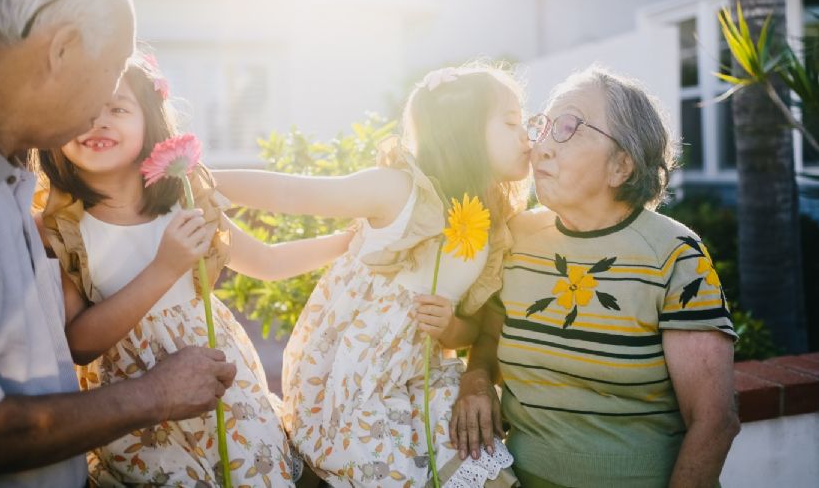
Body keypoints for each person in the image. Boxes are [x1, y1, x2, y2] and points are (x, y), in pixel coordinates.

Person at [33, 51, 355, 485]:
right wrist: (165, 268)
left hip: (223, 387)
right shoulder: (60, 228)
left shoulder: (185, 198)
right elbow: (79, 344)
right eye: (83, 108)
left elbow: (268, 257)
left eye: (118, 108)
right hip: (139, 413)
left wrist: (347, 243)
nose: (99, 120)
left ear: (149, 120)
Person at [0, 0, 234, 486]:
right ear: (61, 49)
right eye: (111, 73)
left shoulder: (8, 182)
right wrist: (155, 394)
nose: (101, 108)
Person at [213, 65, 531, 487]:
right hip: (355, 385)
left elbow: (465, 333)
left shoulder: (493, 224)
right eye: (511, 122)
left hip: (422, 374)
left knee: (478, 464)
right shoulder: (401, 191)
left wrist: (451, 325)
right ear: (464, 133)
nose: (526, 134)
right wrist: (208, 181)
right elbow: (297, 193)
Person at [450, 67, 740, 487]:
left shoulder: (674, 256)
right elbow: (491, 337)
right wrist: (476, 379)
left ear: (621, 165)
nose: (541, 147)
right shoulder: (518, 237)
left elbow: (714, 421)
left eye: (567, 127)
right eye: (543, 127)